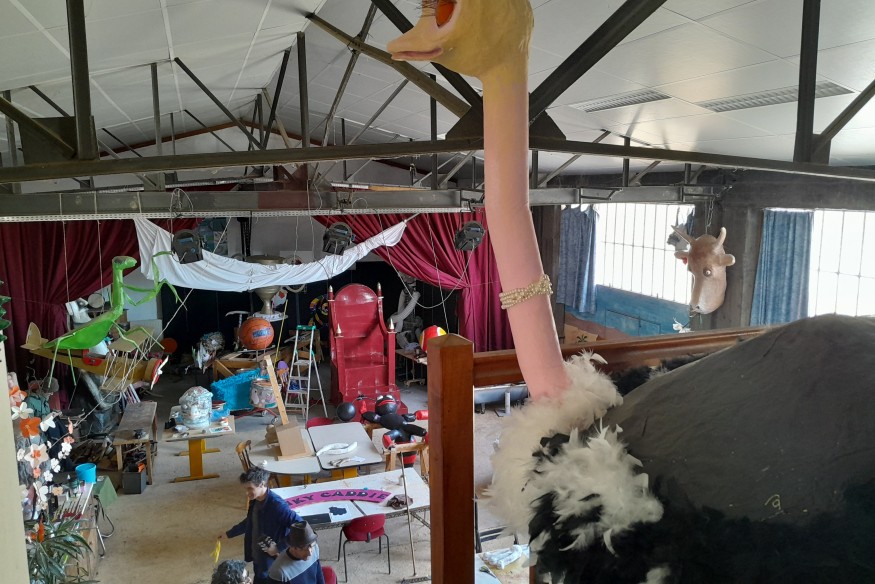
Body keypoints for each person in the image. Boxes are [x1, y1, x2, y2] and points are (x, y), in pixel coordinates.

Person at [218, 468, 303, 584]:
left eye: (250, 488)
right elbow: (250, 521)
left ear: (262, 484)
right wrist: (229, 534)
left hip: (271, 562)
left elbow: (301, 527)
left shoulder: (277, 506)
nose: (247, 493)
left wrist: (278, 547)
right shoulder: (255, 500)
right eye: (245, 489)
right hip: (258, 556)